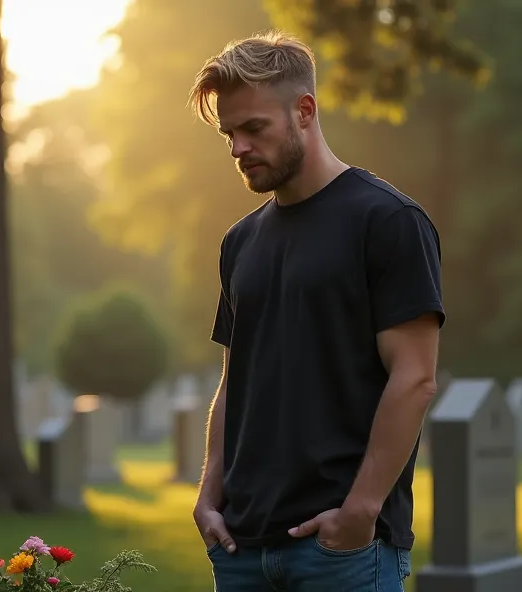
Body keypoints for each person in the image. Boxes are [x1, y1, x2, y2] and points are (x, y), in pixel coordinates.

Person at [188, 30, 445, 592]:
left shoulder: (388, 222)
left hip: (342, 553)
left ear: (304, 111)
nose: (238, 148)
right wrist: (209, 495)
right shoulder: (239, 242)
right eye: (229, 133)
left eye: (254, 128)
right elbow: (236, 380)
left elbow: (415, 377)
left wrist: (360, 511)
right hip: (240, 549)